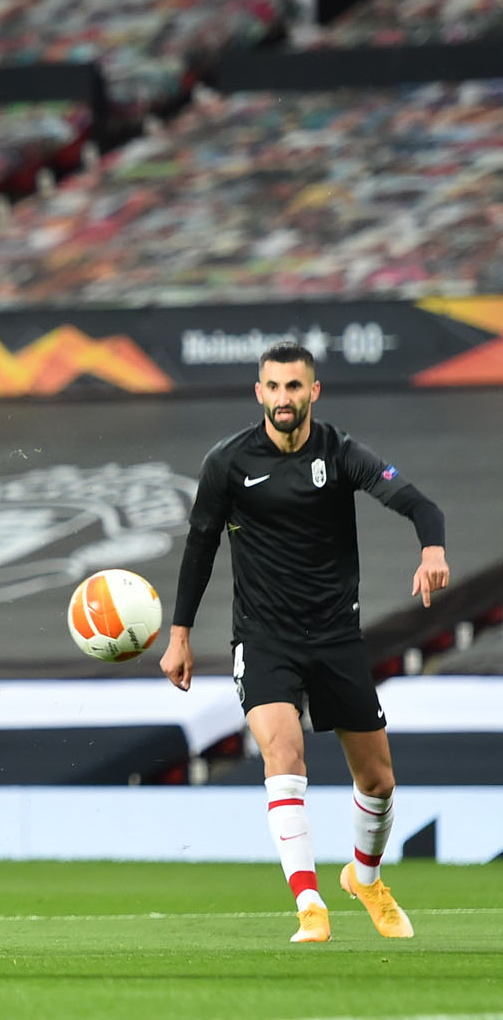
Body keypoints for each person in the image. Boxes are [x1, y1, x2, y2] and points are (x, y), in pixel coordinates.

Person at [159, 341, 449, 945]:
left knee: (378, 782)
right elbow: (200, 546)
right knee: (283, 753)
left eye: (296, 387)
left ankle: (364, 879)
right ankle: (309, 903)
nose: (284, 398)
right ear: (259, 392)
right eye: (274, 387)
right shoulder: (228, 462)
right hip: (264, 638)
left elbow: (417, 501)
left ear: (313, 392)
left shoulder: (339, 452)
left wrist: (432, 548)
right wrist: (179, 635)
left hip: (337, 636)